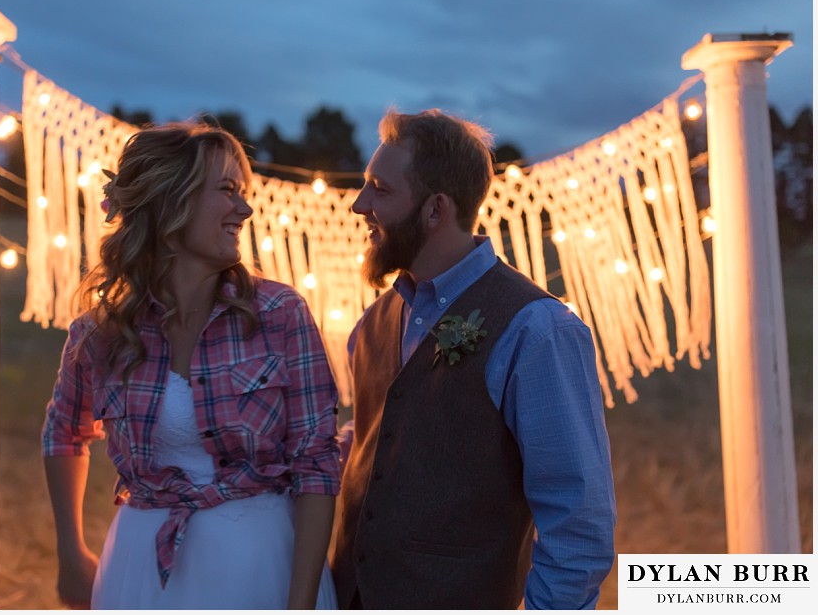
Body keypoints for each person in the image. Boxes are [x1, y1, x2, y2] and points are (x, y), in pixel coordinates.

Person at [41, 122, 341, 609]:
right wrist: (70, 551)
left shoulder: (279, 314)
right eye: (227, 191)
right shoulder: (100, 334)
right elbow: (63, 432)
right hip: (141, 572)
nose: (244, 210)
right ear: (170, 199)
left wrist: (302, 601)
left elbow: (316, 463)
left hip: (262, 566)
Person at [331, 109, 617, 609]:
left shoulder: (536, 330)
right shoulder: (370, 325)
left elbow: (579, 522)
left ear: (435, 209)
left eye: (380, 189)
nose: (359, 205)